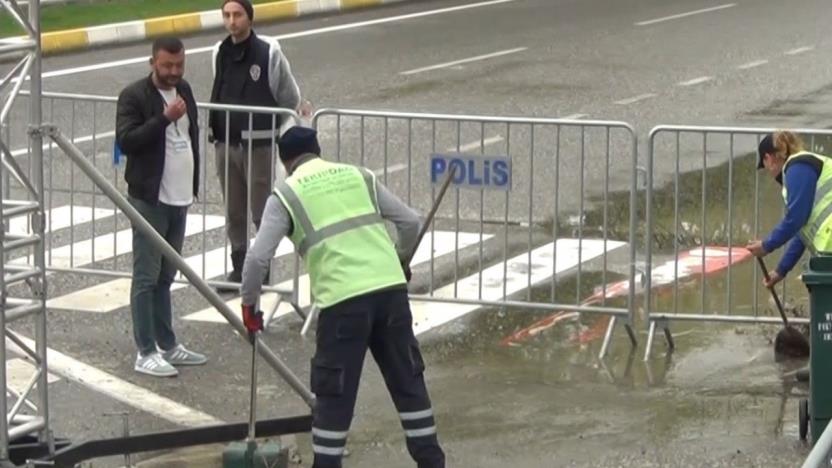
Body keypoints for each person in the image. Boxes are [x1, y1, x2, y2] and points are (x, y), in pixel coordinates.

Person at [239, 127, 445, 468]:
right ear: (319, 150)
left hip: (342, 301)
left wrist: (249, 305)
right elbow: (410, 221)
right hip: (390, 294)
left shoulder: (286, 194)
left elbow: (258, 258)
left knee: (335, 394)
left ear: (284, 160)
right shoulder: (358, 175)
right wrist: (399, 260)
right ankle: (432, 461)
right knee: (409, 383)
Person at [116, 37, 207, 377]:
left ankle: (168, 344)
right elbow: (127, 140)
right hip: (150, 198)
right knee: (146, 276)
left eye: (179, 65)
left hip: (180, 197)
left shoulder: (184, 88)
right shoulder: (134, 96)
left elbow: (189, 136)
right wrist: (164, 118)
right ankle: (145, 351)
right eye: (167, 65)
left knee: (166, 277)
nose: (173, 72)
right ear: (152, 62)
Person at [209, 0, 312, 290]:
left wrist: (273, 131)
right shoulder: (219, 52)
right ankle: (239, 265)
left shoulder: (269, 52)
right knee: (234, 209)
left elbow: (289, 97)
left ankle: (261, 266)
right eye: (227, 15)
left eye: (238, 15)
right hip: (226, 142)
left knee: (261, 209)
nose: (232, 21)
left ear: (249, 18)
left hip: (260, 145)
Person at [746, 131, 832, 285]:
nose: (769, 172)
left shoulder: (798, 167)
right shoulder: (801, 168)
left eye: (764, 165)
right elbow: (803, 231)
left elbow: (796, 217)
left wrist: (767, 245)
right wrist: (781, 270)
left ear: (769, 158)